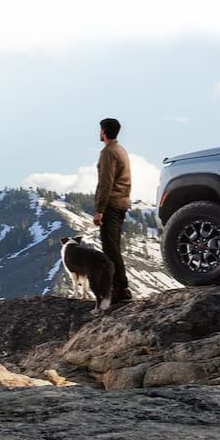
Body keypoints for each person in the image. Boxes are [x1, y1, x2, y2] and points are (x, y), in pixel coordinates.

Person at [93, 118, 132, 302]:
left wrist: (100, 209)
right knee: (113, 246)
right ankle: (119, 287)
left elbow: (106, 183)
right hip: (122, 202)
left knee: (110, 248)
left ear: (104, 132)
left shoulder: (108, 152)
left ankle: (120, 288)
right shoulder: (120, 150)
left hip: (112, 204)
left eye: (100, 129)